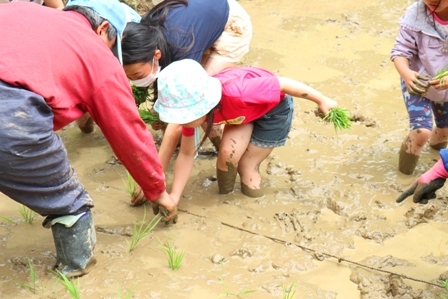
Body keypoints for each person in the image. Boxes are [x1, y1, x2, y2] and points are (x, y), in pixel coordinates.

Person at [0, 0, 177, 279]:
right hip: (10, 116)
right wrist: (158, 191)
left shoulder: (20, 9)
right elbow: (128, 134)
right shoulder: (97, 55)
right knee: (67, 200)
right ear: (104, 28)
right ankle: (73, 271)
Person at [153, 59, 338, 205]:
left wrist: (322, 100)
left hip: (273, 113)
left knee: (246, 168)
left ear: (203, 106)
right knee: (226, 155)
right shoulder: (193, 117)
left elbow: (283, 84)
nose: (180, 122)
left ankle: (253, 201)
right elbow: (186, 153)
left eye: (183, 116)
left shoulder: (238, 92)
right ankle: (225, 197)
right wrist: (174, 196)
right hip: (241, 115)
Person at [121, 0, 252, 178]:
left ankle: (224, 149)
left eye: (136, 75)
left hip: (230, 24)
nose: (134, 80)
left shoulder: (180, 48)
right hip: (200, 18)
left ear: (156, 55)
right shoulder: (142, 38)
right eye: (129, 76)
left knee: (200, 99)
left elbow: (189, 103)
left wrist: (153, 176)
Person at [391, 0, 448, 175]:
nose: (429, 2)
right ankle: (404, 176)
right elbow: (400, 51)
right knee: (421, 131)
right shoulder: (416, 12)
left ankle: (436, 158)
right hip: (417, 82)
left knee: (445, 130)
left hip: (445, 88)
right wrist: (407, 74)